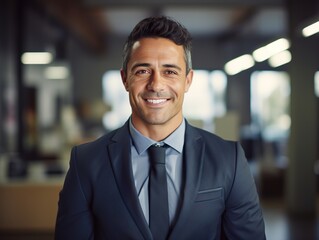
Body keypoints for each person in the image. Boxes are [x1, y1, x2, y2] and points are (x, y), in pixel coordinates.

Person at [55, 16, 266, 240]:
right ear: (125, 79)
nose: (156, 85)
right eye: (143, 71)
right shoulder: (86, 162)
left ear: (188, 80)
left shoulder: (229, 160)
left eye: (170, 71)